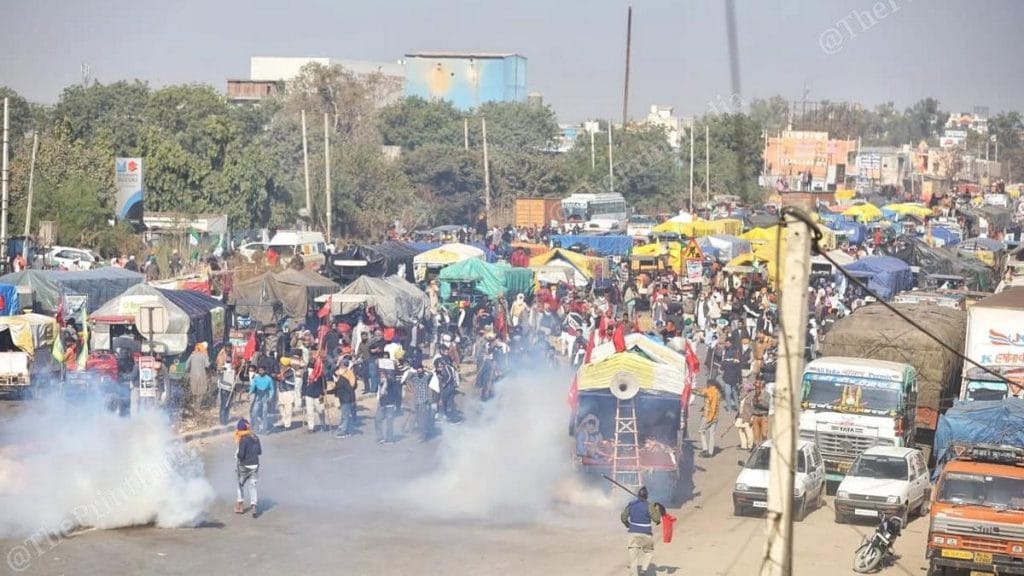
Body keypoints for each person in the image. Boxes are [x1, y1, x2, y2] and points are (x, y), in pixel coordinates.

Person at [621, 486, 662, 576]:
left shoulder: (631, 504)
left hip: (633, 534)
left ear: (638, 495)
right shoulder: (649, 506)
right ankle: (643, 570)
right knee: (648, 552)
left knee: (633, 558)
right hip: (646, 534)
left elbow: (623, 517)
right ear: (646, 496)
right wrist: (657, 510)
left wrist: (628, 525)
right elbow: (656, 519)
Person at [234, 418, 261, 518]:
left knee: (240, 484)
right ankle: (254, 505)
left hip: (244, 466)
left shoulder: (243, 440)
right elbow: (259, 452)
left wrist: (237, 456)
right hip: (255, 465)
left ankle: (240, 505)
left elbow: (241, 455)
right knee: (252, 485)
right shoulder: (256, 437)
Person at [407, 359, 433, 442]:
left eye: (420, 368)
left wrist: (424, 368)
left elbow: (431, 373)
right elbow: (407, 379)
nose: (419, 370)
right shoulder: (415, 378)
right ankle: (422, 433)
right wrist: (413, 371)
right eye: (417, 369)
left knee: (423, 419)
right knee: (418, 419)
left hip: (424, 402)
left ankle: (423, 436)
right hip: (417, 401)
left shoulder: (425, 377)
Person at [693, 380, 721, 458]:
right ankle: (710, 452)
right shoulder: (717, 392)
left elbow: (701, 393)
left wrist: (691, 390)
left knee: (701, 431)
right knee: (712, 434)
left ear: (710, 384)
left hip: (708, 416)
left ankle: (705, 449)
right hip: (716, 416)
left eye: (707, 384)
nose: (706, 385)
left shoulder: (711, 391)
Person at [334, 358, 358, 438]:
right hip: (341, 397)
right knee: (345, 414)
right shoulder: (338, 373)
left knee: (345, 415)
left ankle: (343, 430)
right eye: (340, 364)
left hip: (347, 397)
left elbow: (352, 386)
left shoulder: (350, 374)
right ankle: (348, 430)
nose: (340, 366)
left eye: (342, 365)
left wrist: (342, 379)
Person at [248, 366, 274, 434]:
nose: (260, 372)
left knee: (264, 414)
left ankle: (265, 429)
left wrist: (270, 397)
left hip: (265, 397)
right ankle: (257, 427)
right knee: (254, 413)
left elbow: (271, 389)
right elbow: (253, 387)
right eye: (259, 371)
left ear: (265, 371)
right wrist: (249, 394)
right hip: (258, 397)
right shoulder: (256, 378)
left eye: (262, 370)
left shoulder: (269, 379)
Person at [751, 379, 771, 445]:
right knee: (756, 435)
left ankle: (764, 446)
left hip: (763, 416)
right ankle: (757, 447)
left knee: (764, 434)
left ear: (762, 386)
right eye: (756, 386)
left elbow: (767, 406)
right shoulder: (754, 394)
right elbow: (752, 405)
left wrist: (761, 402)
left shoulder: (767, 394)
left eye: (758, 386)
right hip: (755, 416)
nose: (756, 388)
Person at [736, 383, 754, 451]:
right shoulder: (742, 397)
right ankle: (744, 445)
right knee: (740, 430)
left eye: (743, 388)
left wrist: (752, 417)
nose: (741, 390)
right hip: (741, 416)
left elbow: (753, 408)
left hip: (748, 416)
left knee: (749, 431)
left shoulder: (751, 397)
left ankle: (750, 446)